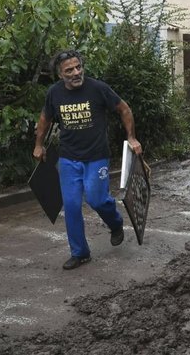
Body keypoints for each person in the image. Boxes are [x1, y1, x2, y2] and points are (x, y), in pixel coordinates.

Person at [33, 50, 142, 270]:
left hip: (96, 156)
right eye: (69, 70)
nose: (76, 73)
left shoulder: (98, 88)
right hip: (68, 158)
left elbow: (124, 109)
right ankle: (80, 253)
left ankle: (116, 223)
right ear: (60, 75)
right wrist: (38, 145)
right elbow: (45, 118)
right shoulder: (54, 93)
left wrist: (131, 137)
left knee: (96, 199)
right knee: (72, 206)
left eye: (78, 67)